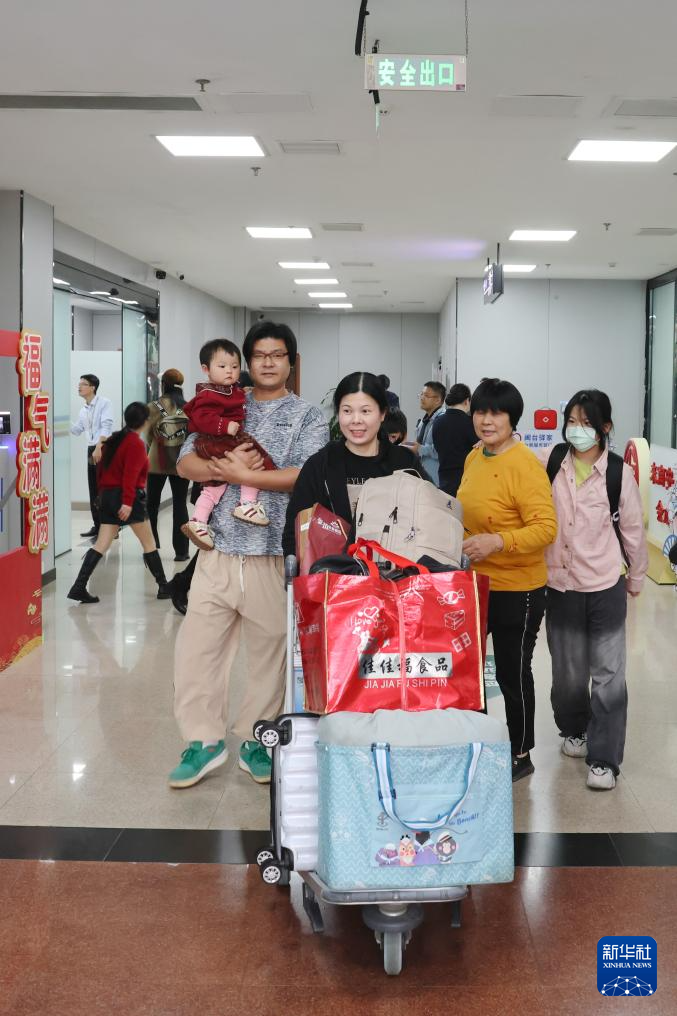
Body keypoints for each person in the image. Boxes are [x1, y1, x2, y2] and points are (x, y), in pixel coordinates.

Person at [168, 321, 327, 789]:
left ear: (291, 362)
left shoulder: (308, 416)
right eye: (259, 355)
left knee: (268, 656)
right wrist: (229, 469)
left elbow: (305, 475)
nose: (268, 363)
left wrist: (246, 477)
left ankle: (258, 739)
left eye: (277, 355)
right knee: (196, 651)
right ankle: (203, 741)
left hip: (272, 554)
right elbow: (185, 462)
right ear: (246, 362)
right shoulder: (223, 401)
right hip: (217, 552)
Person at [544, 390, 648, 791]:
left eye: (587, 423)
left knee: (608, 675)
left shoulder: (619, 473)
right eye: (572, 421)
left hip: (605, 583)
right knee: (567, 674)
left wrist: (636, 578)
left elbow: (632, 531)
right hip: (560, 584)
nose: (577, 429)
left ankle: (604, 759)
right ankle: (574, 729)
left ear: (605, 427)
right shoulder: (552, 461)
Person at [457, 378, 557, 782]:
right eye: (480, 411)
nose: (487, 420)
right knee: (469, 669)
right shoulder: (474, 456)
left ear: (512, 418)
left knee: (511, 673)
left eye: (496, 413)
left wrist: (497, 541)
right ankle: (477, 741)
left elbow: (546, 528)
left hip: (519, 589)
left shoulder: (525, 465)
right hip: (474, 585)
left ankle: (520, 752)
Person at [282, 372, 428, 558]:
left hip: (396, 572)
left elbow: (428, 518)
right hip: (332, 573)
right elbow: (293, 532)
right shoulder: (320, 465)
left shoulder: (405, 462)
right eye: (347, 411)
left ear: (382, 414)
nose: (356, 420)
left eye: (365, 411)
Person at [67, 402, 170, 604]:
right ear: (145, 422)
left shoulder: (113, 439)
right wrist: (128, 503)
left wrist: (102, 495)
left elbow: (101, 470)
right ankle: (164, 586)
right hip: (127, 499)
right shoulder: (135, 444)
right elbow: (130, 476)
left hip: (108, 497)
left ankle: (78, 586)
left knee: (102, 544)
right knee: (149, 543)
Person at [180, 339, 277, 549]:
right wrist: (224, 425)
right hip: (218, 439)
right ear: (206, 369)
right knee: (256, 458)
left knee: (214, 488)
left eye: (234, 367)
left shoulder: (228, 390)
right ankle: (247, 503)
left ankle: (198, 520)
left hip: (216, 442)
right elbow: (202, 417)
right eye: (222, 366)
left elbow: (236, 399)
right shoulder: (209, 393)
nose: (229, 371)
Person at [146, 368, 191, 562]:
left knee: (151, 505)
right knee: (180, 505)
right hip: (181, 461)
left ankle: (151, 547)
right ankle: (182, 551)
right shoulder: (188, 407)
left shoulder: (153, 406)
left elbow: (148, 436)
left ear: (163, 384)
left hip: (157, 461)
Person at [70, 374, 114, 538]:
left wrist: (99, 446)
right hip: (91, 449)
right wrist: (60, 418)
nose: (79, 386)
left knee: (105, 488)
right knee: (93, 488)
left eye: (83, 384)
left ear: (92, 387)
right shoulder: (83, 410)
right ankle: (98, 525)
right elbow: (77, 430)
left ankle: (111, 527)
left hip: (103, 447)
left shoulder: (104, 403)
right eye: (79, 384)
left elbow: (106, 426)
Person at [433, 383, 478, 497]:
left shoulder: (437, 422)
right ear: (467, 401)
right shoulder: (469, 423)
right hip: (464, 479)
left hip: (443, 478)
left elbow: (437, 448)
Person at [414, 381, 446, 485]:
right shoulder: (425, 419)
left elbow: (441, 450)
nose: (422, 398)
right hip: (423, 475)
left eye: (426, 396)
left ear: (438, 400)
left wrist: (419, 448)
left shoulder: (442, 420)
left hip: (436, 479)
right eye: (421, 394)